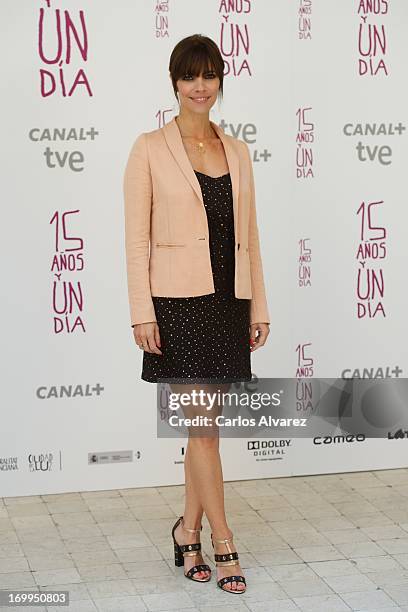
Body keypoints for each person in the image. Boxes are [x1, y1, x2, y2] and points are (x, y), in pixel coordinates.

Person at [123, 34, 270, 594]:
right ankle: (224, 541)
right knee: (204, 429)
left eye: (208, 76)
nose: (199, 87)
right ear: (174, 83)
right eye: (189, 77)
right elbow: (136, 241)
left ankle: (187, 531)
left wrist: (259, 303)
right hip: (177, 306)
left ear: (220, 82)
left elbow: (249, 236)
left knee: (200, 429)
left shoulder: (237, 151)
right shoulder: (148, 148)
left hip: (228, 302)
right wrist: (142, 312)